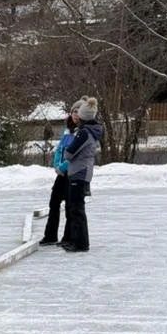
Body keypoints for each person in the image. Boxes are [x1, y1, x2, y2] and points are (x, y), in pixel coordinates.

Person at [60, 97, 104, 254]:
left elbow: (69, 153)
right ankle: (75, 240)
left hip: (79, 172)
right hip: (81, 171)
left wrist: (67, 152)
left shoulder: (84, 133)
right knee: (75, 207)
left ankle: (80, 243)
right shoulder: (90, 131)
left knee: (76, 208)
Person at [38, 110, 76, 246]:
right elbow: (60, 149)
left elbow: (74, 154)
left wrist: (63, 167)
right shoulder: (67, 130)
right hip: (60, 173)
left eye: (78, 112)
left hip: (71, 172)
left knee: (69, 207)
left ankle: (68, 237)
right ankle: (50, 235)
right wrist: (56, 164)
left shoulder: (81, 131)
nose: (76, 115)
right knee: (54, 202)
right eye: (74, 112)